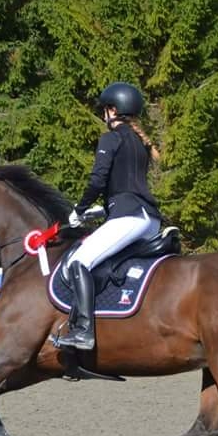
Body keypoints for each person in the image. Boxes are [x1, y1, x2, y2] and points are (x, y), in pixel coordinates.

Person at [55, 82, 162, 351]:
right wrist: (103, 209)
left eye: (105, 110)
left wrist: (80, 209)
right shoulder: (140, 142)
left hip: (130, 218)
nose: (103, 115)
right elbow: (128, 186)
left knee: (79, 261)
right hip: (149, 219)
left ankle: (83, 331)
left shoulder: (111, 138)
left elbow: (98, 180)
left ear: (112, 110)